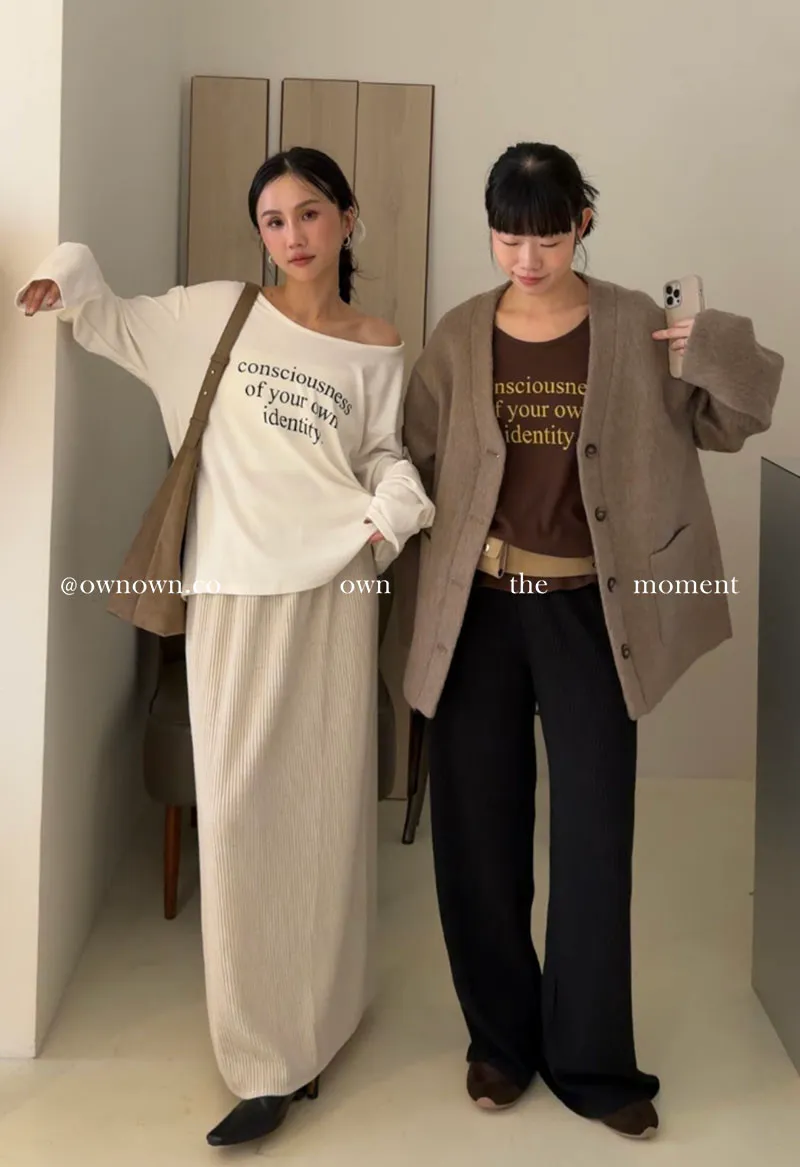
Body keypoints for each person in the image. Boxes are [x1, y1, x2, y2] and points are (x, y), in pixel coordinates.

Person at [18, 146, 435, 1148]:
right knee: (242, 813)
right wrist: (62, 274)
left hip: (335, 588)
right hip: (231, 594)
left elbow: (383, 454)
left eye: (309, 213)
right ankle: (262, 1061)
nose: (292, 235)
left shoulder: (379, 343)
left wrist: (388, 514)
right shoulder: (214, 314)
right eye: (273, 220)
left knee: (326, 809)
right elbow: (107, 311)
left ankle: (322, 1020)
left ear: (347, 218)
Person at [398, 141, 783, 1140]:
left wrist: (706, 342)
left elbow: (737, 419)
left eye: (548, 236)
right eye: (507, 238)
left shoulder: (635, 324)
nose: (526, 259)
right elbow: (415, 459)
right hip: (479, 611)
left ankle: (591, 1060)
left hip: (588, 612)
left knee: (593, 837)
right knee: (476, 834)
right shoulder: (458, 333)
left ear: (583, 225)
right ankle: (499, 1042)